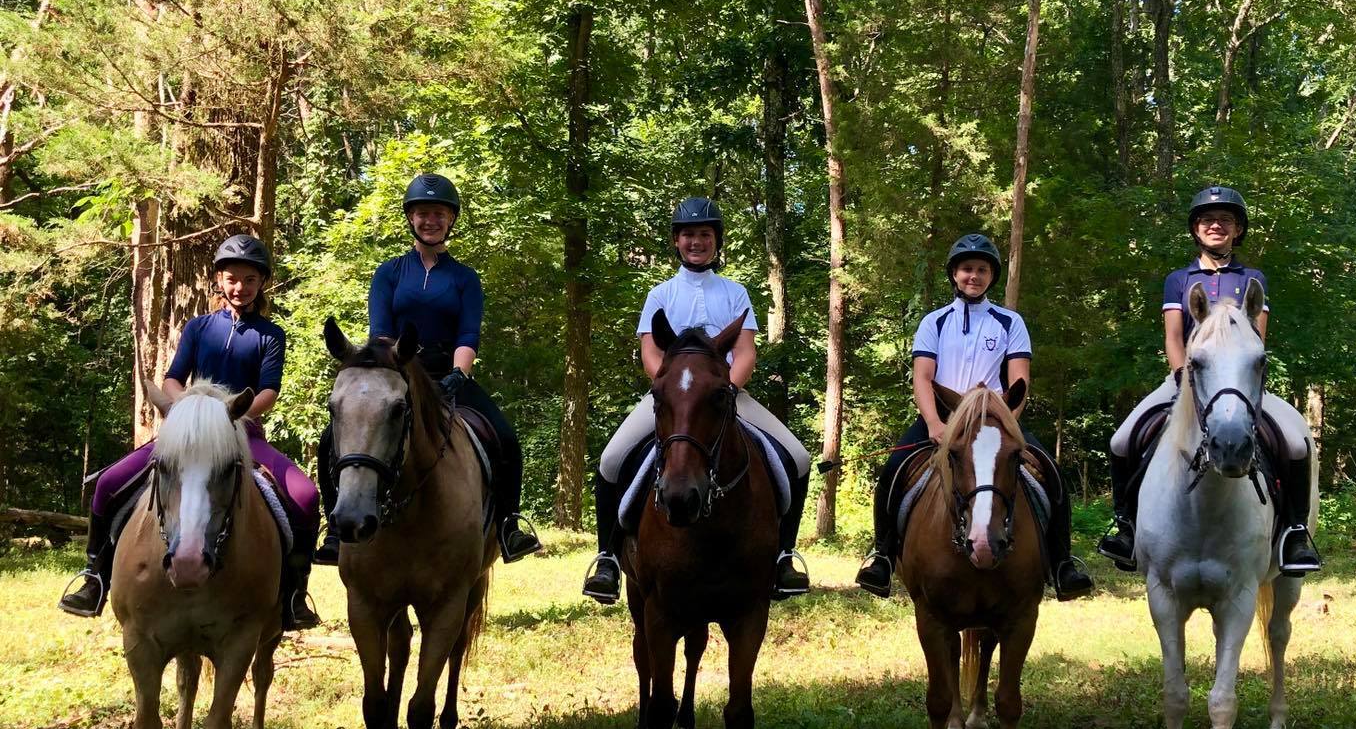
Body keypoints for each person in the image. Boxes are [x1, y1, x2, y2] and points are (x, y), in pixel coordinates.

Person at [60, 235, 322, 630]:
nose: (240, 287)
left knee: (305, 495)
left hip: (243, 432)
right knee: (109, 483)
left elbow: (269, 390)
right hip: (190, 430)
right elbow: (172, 379)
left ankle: (294, 593)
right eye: (233, 278)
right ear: (219, 279)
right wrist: (190, 412)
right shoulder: (199, 328)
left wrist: (231, 416)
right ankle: (95, 576)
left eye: (250, 280)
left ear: (261, 284)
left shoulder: (270, 335)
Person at [582, 197, 811, 606]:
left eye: (705, 235)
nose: (696, 241)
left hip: (727, 396)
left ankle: (783, 555)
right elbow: (650, 352)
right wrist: (672, 388)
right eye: (688, 234)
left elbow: (745, 352)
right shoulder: (660, 293)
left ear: (716, 241)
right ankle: (607, 558)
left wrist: (729, 389)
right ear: (676, 240)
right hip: (671, 399)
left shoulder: (735, 292)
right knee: (612, 459)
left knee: (797, 456)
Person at [855, 232, 1094, 602]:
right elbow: (922, 377)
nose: (974, 276)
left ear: (992, 276)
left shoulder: (1009, 321)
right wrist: (934, 423)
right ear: (954, 274)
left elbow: (1019, 381)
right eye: (967, 268)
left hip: (996, 420)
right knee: (894, 468)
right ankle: (883, 556)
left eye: (982, 269)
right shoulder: (933, 322)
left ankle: (1063, 563)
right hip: (945, 416)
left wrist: (1007, 423)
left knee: (1050, 471)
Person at [1098, 185, 1321, 575]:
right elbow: (1172, 337)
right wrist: (1185, 378)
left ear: (1237, 230)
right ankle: (1126, 527)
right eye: (1207, 220)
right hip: (1187, 380)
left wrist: (1239, 377)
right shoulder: (1179, 280)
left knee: (1295, 444)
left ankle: (1296, 533)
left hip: (1240, 382)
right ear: (1196, 229)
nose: (1216, 226)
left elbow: (1256, 339)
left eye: (1225, 221)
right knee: (1121, 440)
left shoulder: (1252, 279)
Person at [318, 174, 539, 564]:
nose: (430, 220)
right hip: (395, 373)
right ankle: (336, 530)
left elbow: (468, 334)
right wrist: (395, 371)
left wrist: (459, 373)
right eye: (422, 213)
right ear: (411, 218)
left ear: (451, 219)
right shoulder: (389, 272)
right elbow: (380, 333)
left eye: (438, 213)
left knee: (505, 439)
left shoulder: (464, 278)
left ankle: (507, 525)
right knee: (328, 439)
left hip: (448, 374)